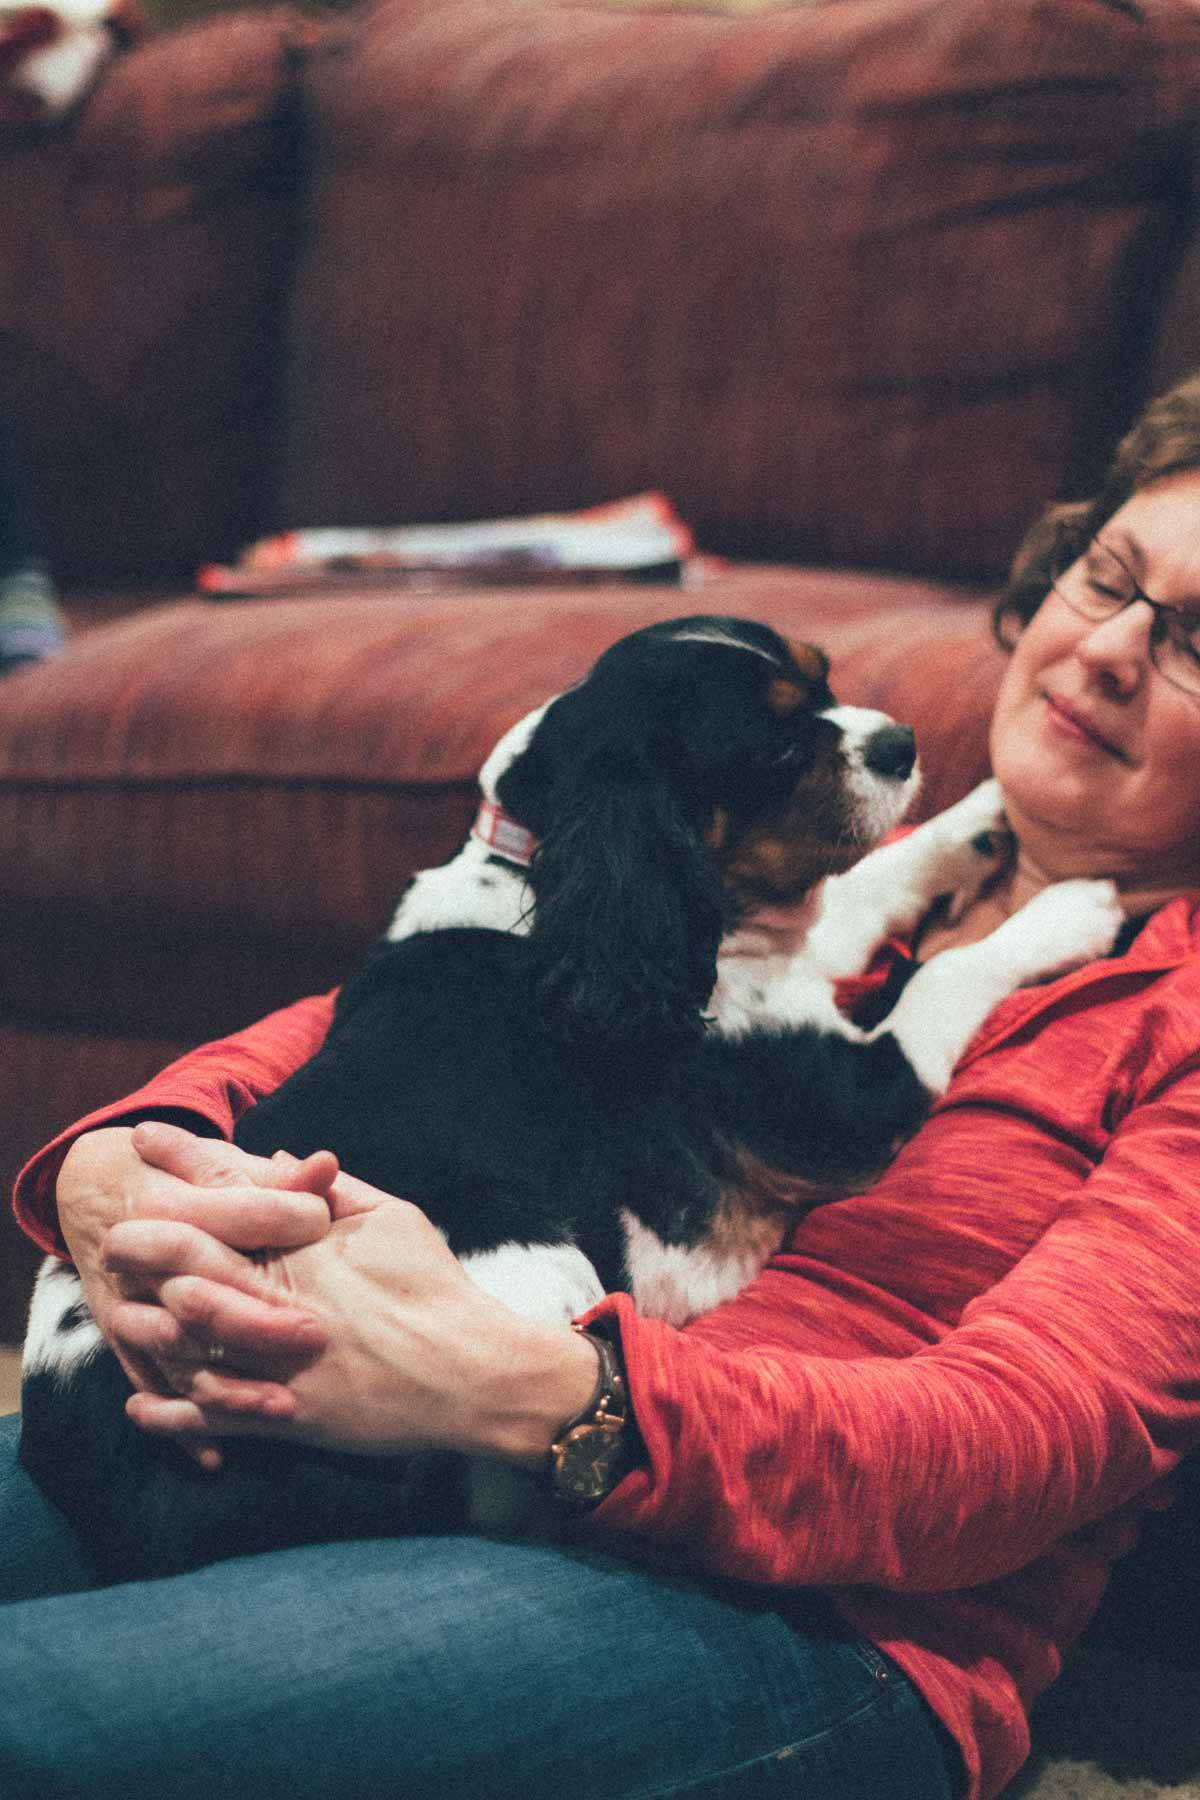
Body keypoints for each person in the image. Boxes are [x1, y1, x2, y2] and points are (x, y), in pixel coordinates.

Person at [7, 372, 1200, 1800]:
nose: (1114, 649)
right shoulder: (790, 831)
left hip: (808, 1614)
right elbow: (386, 1023)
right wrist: (121, 1169)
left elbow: (1031, 1442)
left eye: (1197, 643)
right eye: (1109, 577)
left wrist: (526, 1392)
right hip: (406, 1446)